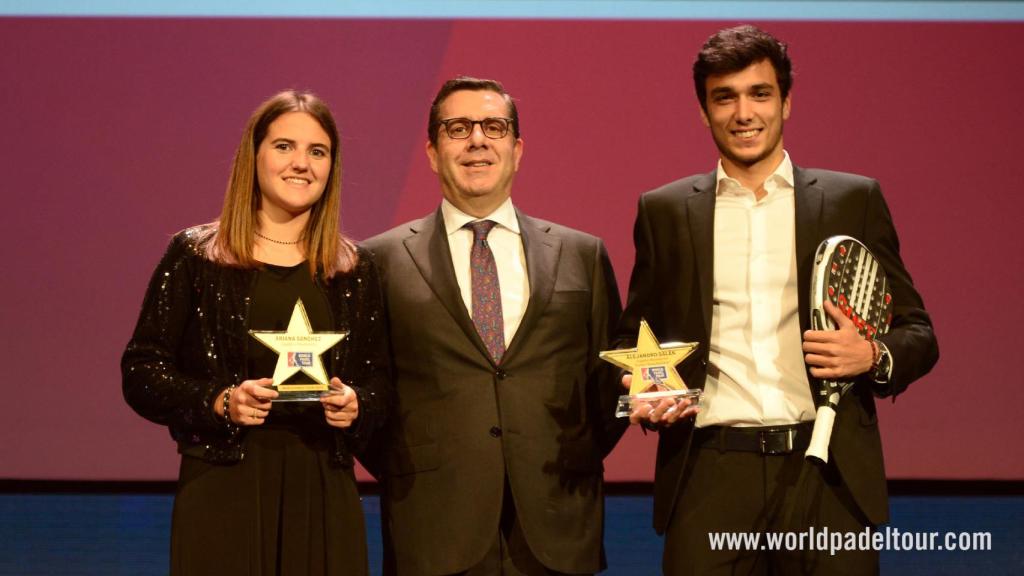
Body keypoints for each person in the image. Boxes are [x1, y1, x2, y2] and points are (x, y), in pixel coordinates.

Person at [614, 26, 939, 575]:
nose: (744, 113)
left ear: (785, 102)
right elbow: (637, 336)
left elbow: (918, 333)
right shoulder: (665, 210)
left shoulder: (853, 199)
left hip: (827, 469)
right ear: (704, 112)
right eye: (725, 97)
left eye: (760, 94)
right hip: (709, 473)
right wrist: (650, 387)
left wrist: (871, 356)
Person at [363, 76, 626, 575]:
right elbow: (370, 393)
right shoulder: (379, 260)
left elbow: (607, 386)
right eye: (458, 128)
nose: (478, 140)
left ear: (517, 149)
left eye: (494, 127)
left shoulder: (582, 254)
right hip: (433, 526)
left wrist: (569, 455)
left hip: (556, 519)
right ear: (432, 152)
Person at [122, 90, 391, 576]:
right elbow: (142, 371)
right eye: (284, 146)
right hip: (222, 487)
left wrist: (359, 405)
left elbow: (381, 382)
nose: (301, 163)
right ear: (255, 155)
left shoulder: (354, 268)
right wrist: (219, 401)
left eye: (317, 151)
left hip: (322, 489)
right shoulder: (196, 256)